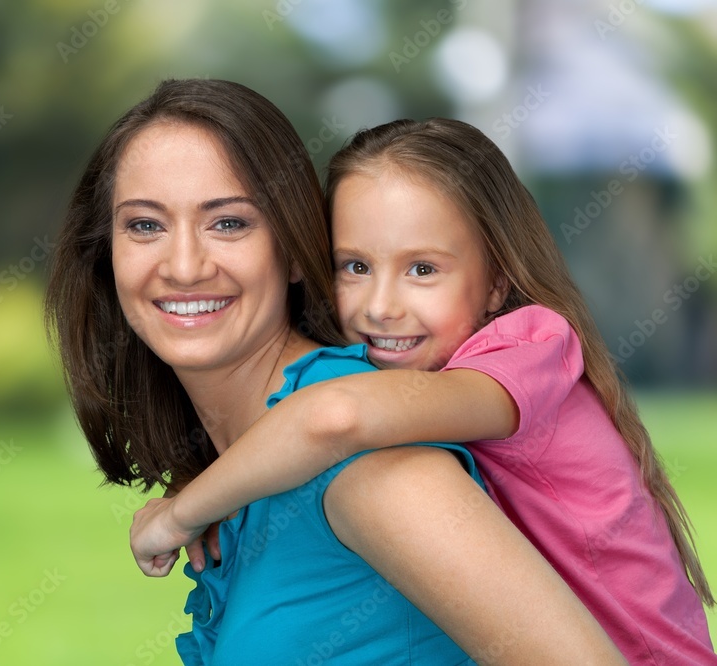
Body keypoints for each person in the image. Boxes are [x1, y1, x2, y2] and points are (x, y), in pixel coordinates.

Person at [48, 80, 623, 664]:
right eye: (145, 225)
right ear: (106, 252)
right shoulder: (245, 471)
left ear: (298, 250)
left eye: (228, 224)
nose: (184, 266)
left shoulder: (370, 462)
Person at [128, 117, 716, 664]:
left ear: (496, 284)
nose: (381, 307)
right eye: (355, 267)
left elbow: (335, 416)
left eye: (423, 270)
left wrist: (184, 512)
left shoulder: (530, 349)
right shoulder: (425, 377)